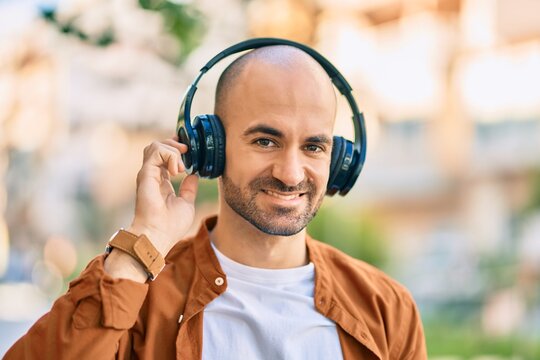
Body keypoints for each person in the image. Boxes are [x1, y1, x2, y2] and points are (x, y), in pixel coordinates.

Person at [5, 42, 427, 359]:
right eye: (266, 140)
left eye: (314, 147)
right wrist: (143, 242)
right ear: (213, 150)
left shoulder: (385, 309)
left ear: (339, 162)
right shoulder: (141, 298)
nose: (291, 172)